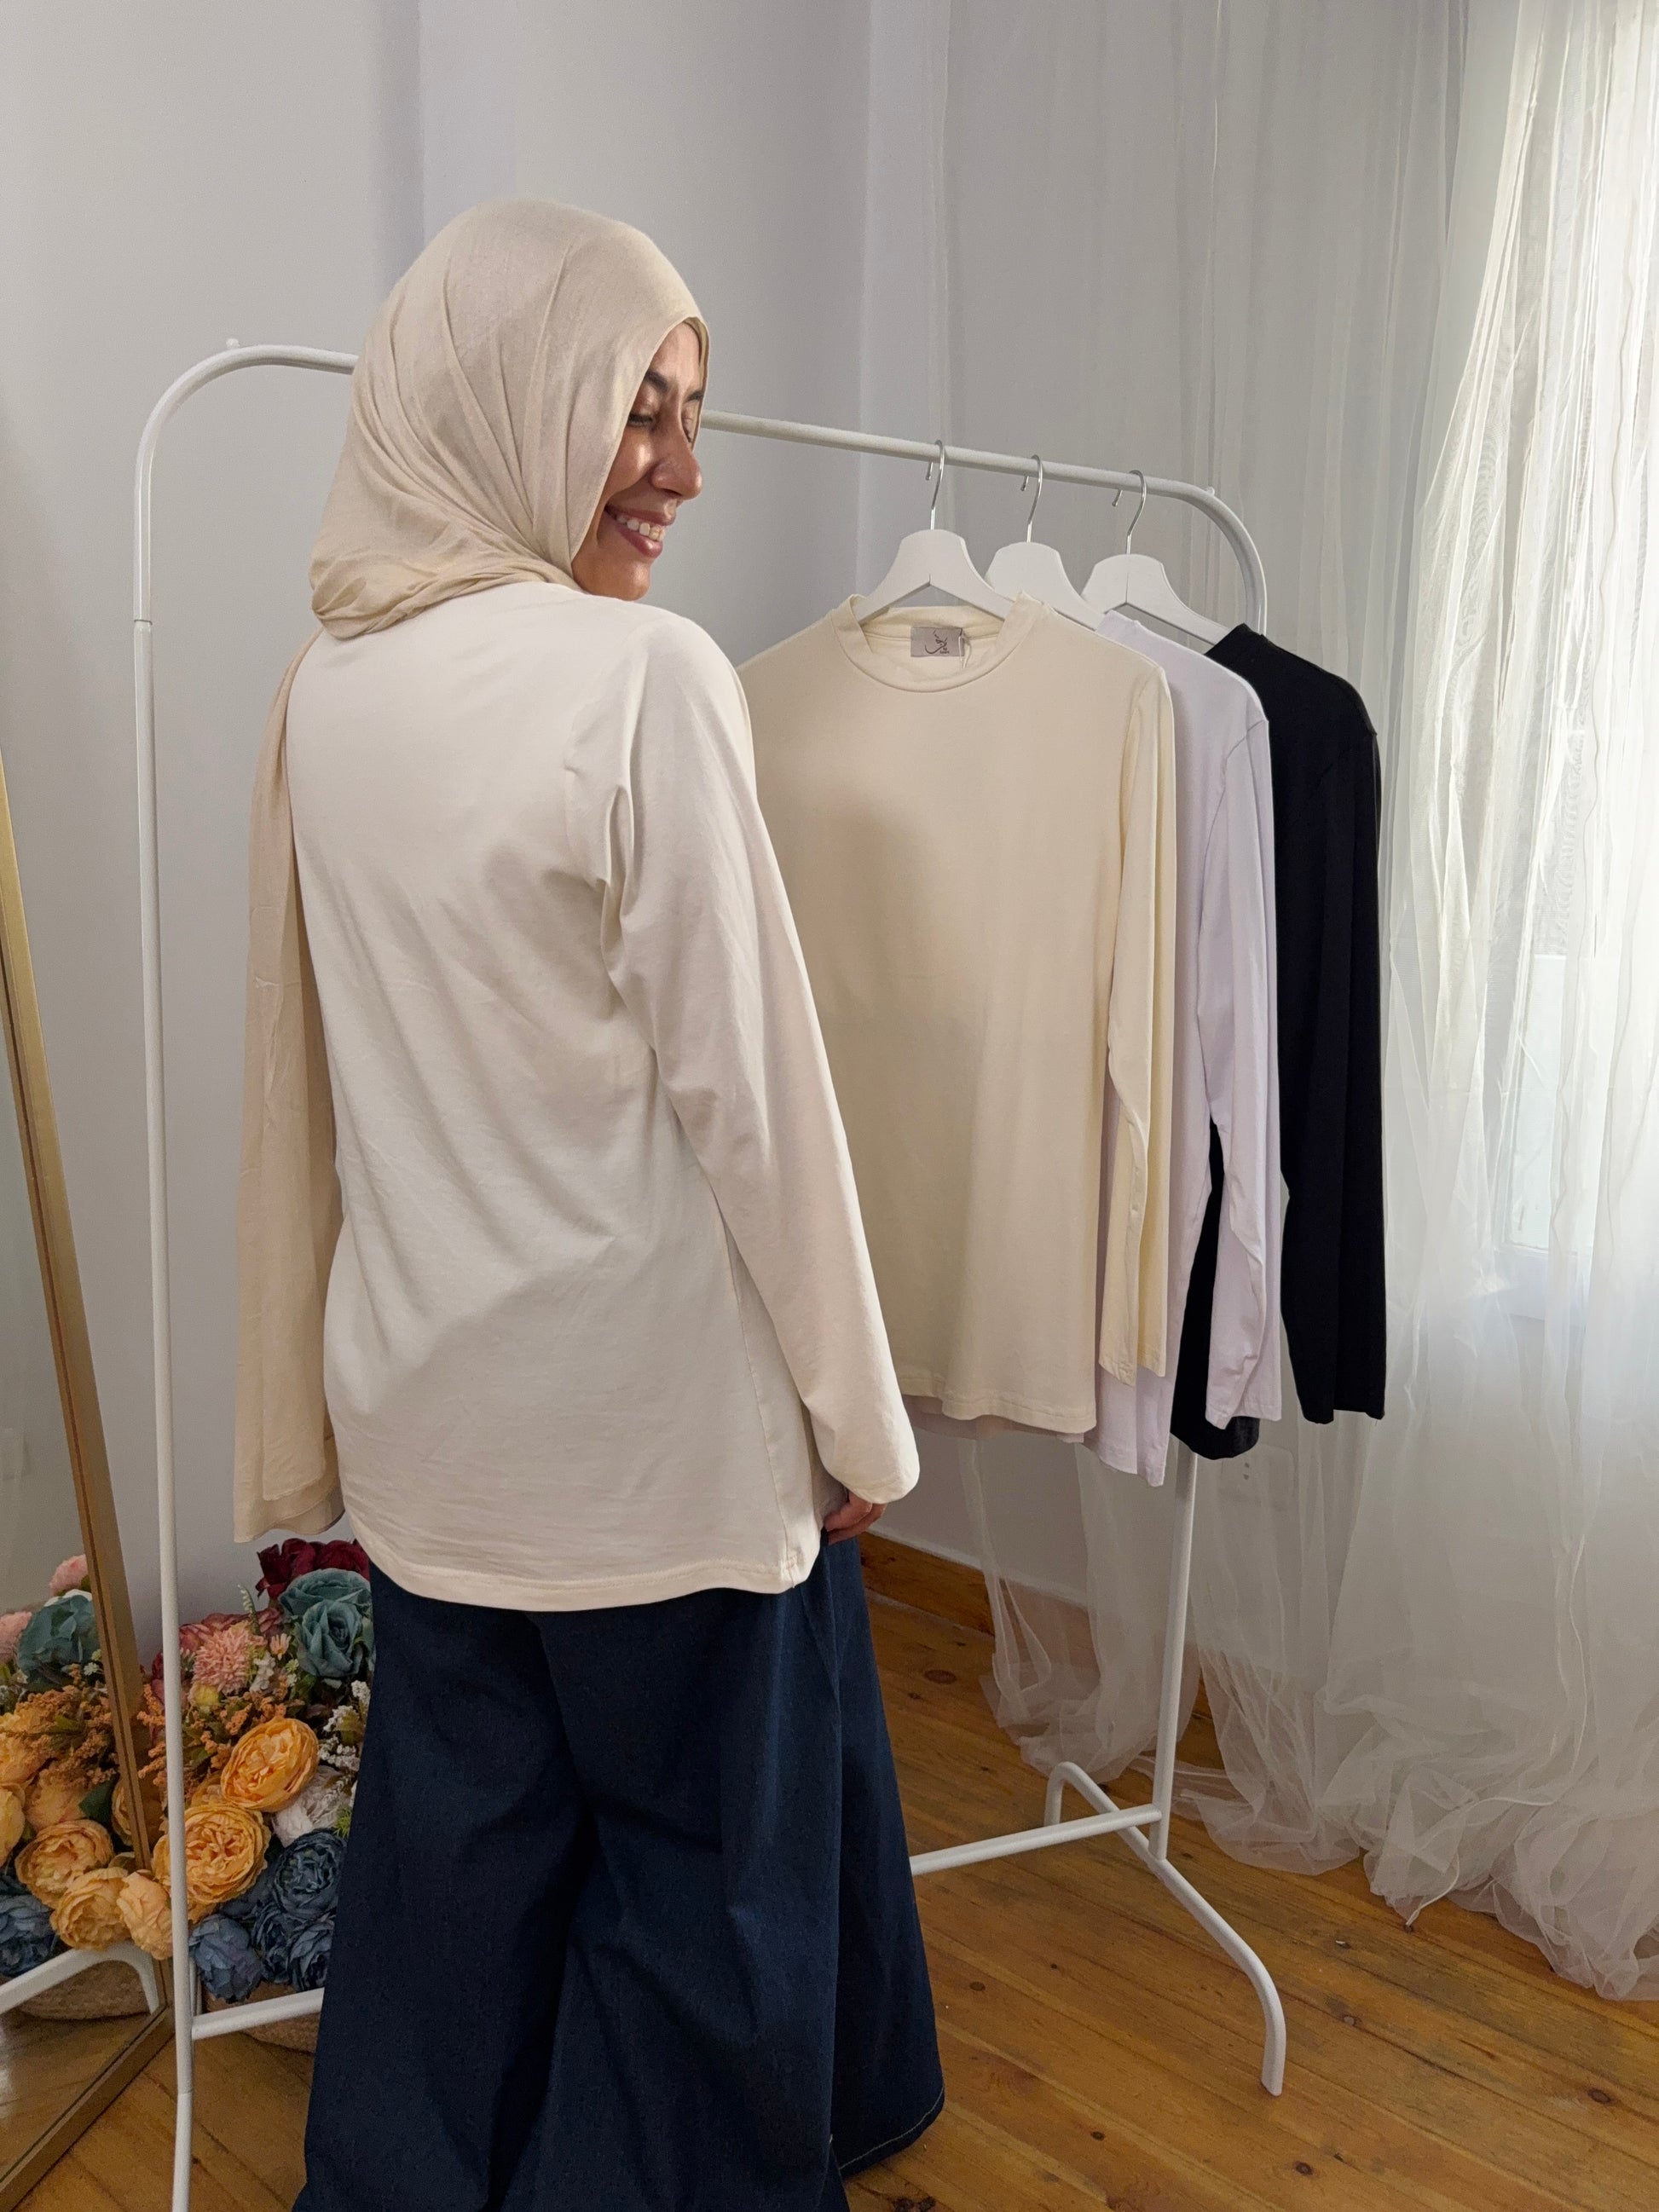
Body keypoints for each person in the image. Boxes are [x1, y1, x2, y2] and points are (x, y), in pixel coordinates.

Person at [234, 199, 941, 2210]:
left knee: (459, 1876)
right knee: (697, 1901)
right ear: (515, 397)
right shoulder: (642, 680)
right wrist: (859, 1413)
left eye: (691, 412)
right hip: (651, 1442)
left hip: (435, 1421)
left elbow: (318, 1086)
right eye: (640, 407)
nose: (683, 468)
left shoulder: (328, 684)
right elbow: (758, 1097)